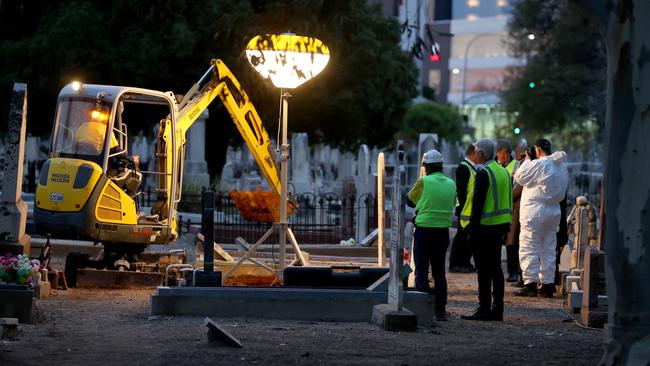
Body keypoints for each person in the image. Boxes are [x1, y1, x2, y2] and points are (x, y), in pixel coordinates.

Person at [461, 139, 512, 321]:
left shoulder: (484, 173)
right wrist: (507, 225)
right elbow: (507, 200)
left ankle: (483, 308)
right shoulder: (503, 172)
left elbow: (477, 205)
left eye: (476, 150)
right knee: (496, 269)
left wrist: (471, 231)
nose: (475, 153)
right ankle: (498, 310)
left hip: (483, 228)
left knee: (483, 270)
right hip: (499, 227)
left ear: (481, 153)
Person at [513, 138, 569, 298]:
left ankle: (530, 284)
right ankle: (547, 285)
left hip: (534, 211)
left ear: (537, 150)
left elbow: (520, 177)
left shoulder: (539, 164)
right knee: (548, 248)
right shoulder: (561, 167)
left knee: (529, 247)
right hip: (553, 211)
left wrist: (528, 161)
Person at [407, 149, 457, 321]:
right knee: (439, 272)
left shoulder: (424, 181)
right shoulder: (451, 183)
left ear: (426, 167)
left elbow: (409, 200)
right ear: (441, 166)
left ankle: (422, 310)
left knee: (421, 271)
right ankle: (440, 311)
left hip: (424, 232)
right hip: (442, 233)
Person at [449, 144, 479, 273]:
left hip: (469, 210)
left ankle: (465, 262)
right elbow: (461, 191)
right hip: (465, 210)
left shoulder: (471, 168)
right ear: (473, 152)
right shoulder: (464, 167)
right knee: (461, 238)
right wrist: (461, 210)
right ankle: (456, 264)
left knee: (468, 239)